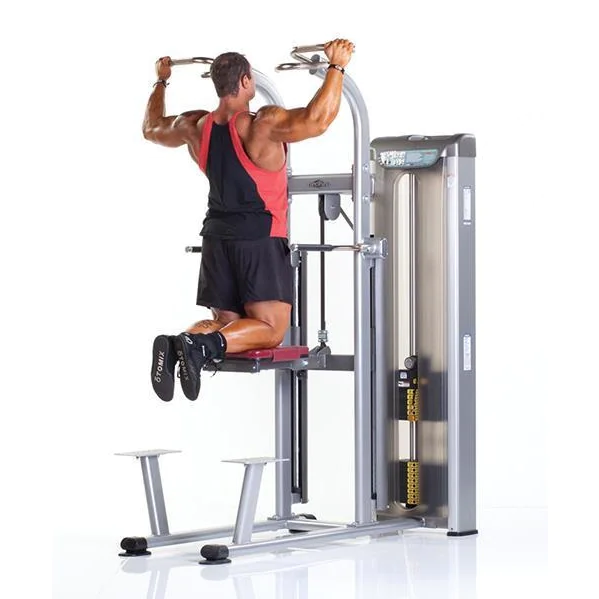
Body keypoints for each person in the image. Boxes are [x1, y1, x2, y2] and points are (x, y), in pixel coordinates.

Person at [143, 39, 354, 402]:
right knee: (271, 330)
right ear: (244, 82)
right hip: (258, 238)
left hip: (215, 239)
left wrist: (161, 81)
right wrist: (337, 67)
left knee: (228, 325)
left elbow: (151, 128)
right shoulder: (262, 124)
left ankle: (182, 343)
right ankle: (198, 345)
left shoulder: (194, 126)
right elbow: (317, 121)